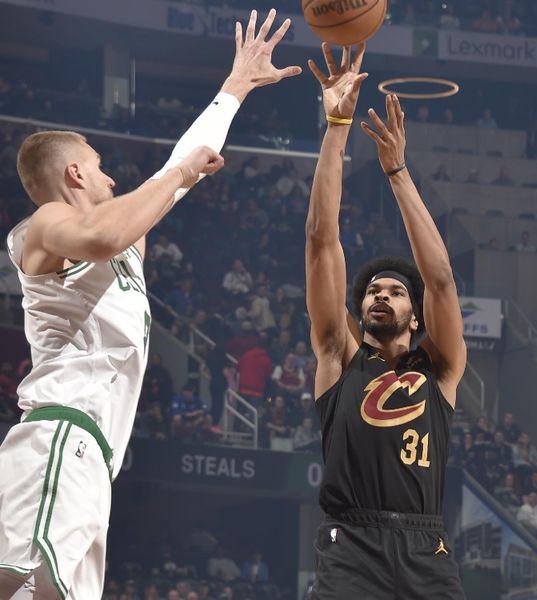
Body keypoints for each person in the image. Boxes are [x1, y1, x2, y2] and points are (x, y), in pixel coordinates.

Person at [0, 10, 301, 599]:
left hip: (96, 459)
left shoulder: (129, 240)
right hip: (60, 434)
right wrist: (180, 174)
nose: (114, 178)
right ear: (76, 171)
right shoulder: (48, 223)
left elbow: (174, 172)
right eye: (104, 167)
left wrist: (234, 88)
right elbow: (109, 230)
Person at [305, 44, 466, 599]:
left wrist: (397, 171)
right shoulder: (339, 355)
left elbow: (441, 277)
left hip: (427, 548)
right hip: (352, 542)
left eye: (396, 292)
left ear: (414, 315)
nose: (381, 295)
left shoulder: (439, 368)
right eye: (373, 291)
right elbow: (322, 241)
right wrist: (338, 126)